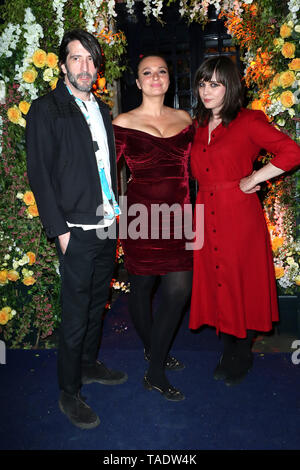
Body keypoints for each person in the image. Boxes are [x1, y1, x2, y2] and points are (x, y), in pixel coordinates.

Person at [26, 29, 127, 430]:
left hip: (106, 225)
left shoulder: (101, 110)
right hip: (76, 229)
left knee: (96, 304)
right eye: (76, 58)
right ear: (63, 64)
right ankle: (69, 391)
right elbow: (40, 175)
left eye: (90, 59)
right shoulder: (46, 109)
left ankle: (87, 365)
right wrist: (59, 231)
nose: (85, 66)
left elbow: (105, 166)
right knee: (74, 314)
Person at [189, 55, 300, 386]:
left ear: (230, 86)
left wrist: (254, 178)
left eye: (215, 84)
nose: (206, 91)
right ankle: (228, 347)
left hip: (238, 212)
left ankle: (242, 351)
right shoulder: (195, 126)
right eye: (202, 83)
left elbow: (292, 152)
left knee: (238, 280)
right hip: (204, 211)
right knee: (215, 279)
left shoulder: (249, 121)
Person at [113, 54, 194, 401]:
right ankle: (152, 349)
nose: (155, 77)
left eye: (161, 71)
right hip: (140, 219)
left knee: (178, 292)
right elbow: (101, 171)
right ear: (138, 81)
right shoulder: (123, 121)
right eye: (147, 72)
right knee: (142, 289)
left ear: (168, 79)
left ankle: (155, 370)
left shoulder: (185, 118)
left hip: (181, 218)